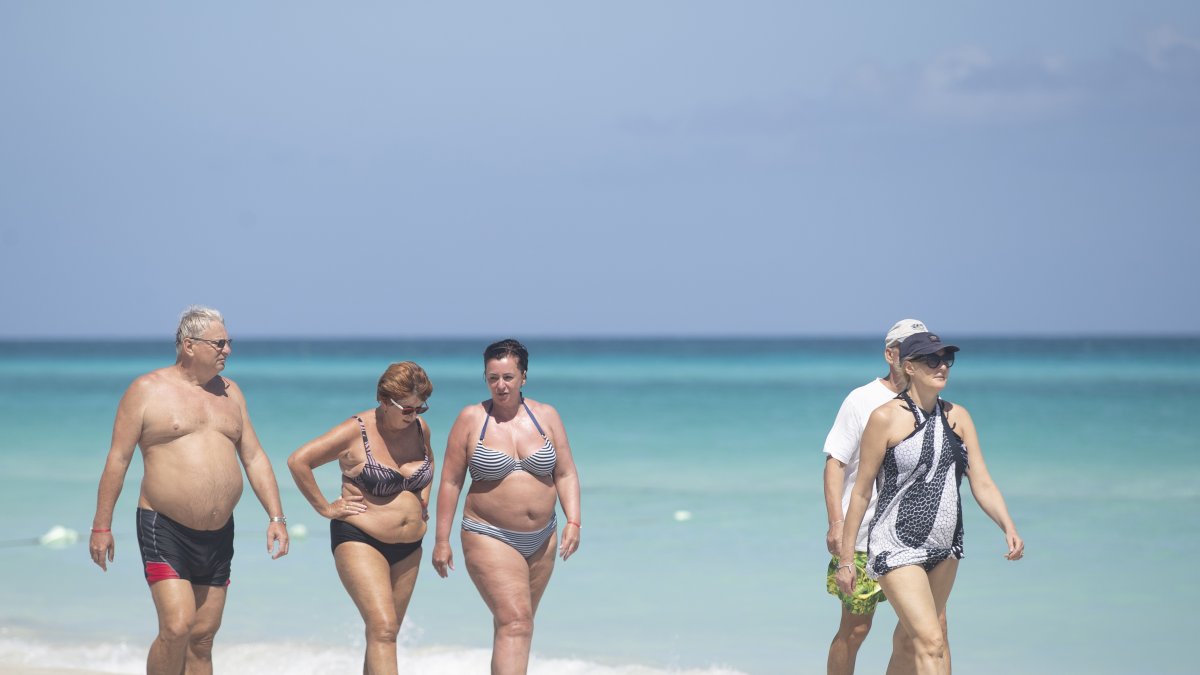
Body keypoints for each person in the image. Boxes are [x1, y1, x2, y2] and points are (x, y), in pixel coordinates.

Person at [88, 306, 289, 675]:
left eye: (228, 342)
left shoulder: (231, 393)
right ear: (189, 345)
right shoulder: (146, 390)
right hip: (164, 527)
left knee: (203, 637)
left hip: (218, 532)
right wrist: (102, 526)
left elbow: (254, 457)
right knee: (177, 626)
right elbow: (118, 459)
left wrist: (276, 517)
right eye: (219, 343)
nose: (228, 350)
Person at [836, 332, 1024, 675]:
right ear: (909, 366)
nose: (942, 367)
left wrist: (1007, 526)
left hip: (946, 546)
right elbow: (861, 492)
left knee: (911, 643)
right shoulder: (884, 418)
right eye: (932, 360)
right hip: (896, 545)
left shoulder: (958, 416)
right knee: (931, 642)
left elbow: (981, 480)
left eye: (946, 360)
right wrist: (847, 559)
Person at [432, 338, 582, 675]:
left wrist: (574, 520)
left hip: (543, 537)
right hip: (488, 534)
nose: (500, 385)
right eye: (493, 378)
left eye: (508, 377)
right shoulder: (471, 419)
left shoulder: (547, 416)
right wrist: (442, 540)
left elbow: (565, 472)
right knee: (516, 621)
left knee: (519, 624)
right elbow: (451, 482)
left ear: (523, 377)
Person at [287, 361, 434, 675]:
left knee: (386, 633)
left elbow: (429, 462)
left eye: (420, 408)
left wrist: (424, 500)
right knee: (383, 628)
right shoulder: (356, 431)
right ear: (384, 401)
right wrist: (325, 507)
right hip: (361, 539)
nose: (414, 415)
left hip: (410, 548)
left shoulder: (420, 429)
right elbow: (299, 461)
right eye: (407, 409)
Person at [823, 319, 929, 675]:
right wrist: (836, 523)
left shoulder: (930, 402)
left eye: (923, 350)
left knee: (923, 631)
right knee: (856, 630)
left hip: (912, 541)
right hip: (864, 536)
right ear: (890, 354)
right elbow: (835, 464)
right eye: (909, 348)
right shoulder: (862, 399)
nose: (917, 356)